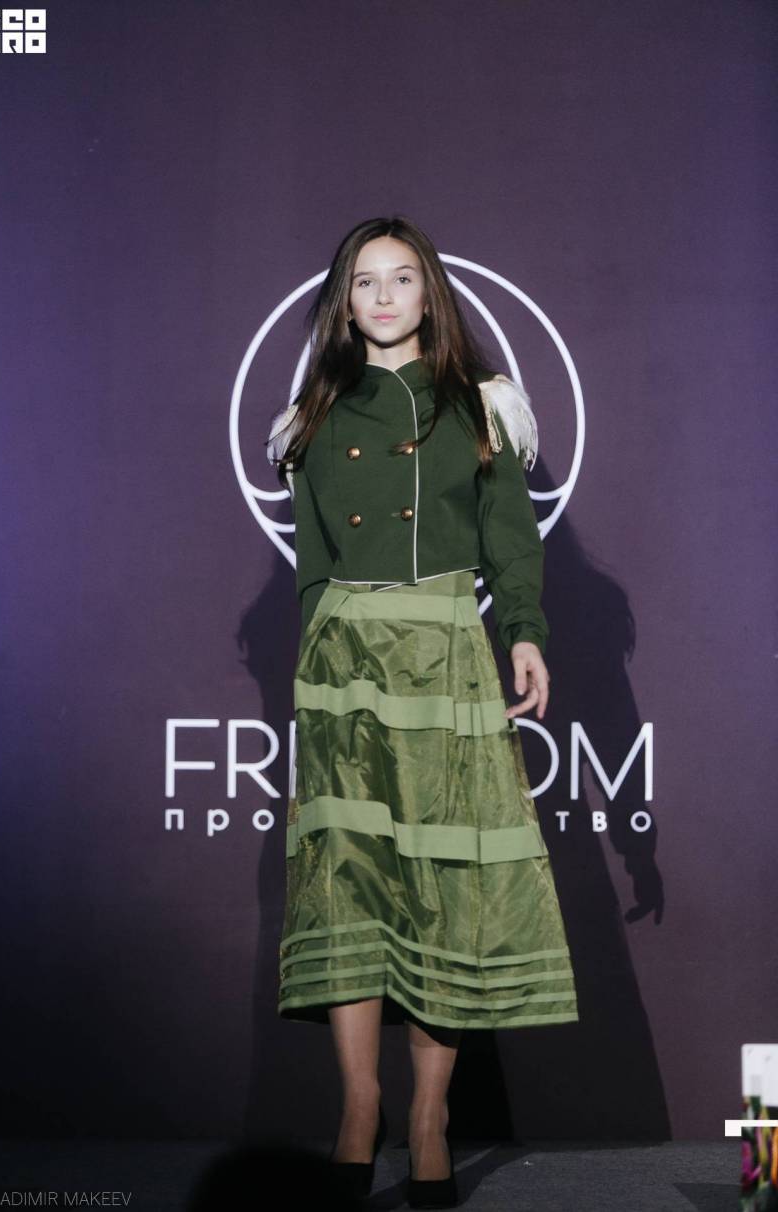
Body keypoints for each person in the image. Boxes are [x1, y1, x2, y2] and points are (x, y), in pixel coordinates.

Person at [266, 215, 579, 1209]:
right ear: (344, 301)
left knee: (439, 881)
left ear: (429, 292)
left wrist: (522, 630)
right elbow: (312, 560)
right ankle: (360, 1110)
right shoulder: (312, 415)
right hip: (344, 658)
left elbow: (510, 538)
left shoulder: (479, 406)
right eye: (366, 281)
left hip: (443, 647)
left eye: (402, 277)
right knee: (349, 881)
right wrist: (318, 641)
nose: (385, 295)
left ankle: (430, 1118)